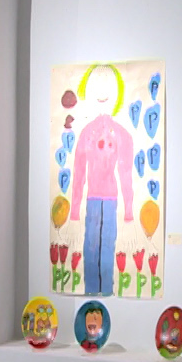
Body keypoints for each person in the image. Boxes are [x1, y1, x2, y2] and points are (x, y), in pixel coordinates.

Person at [69, 64, 136, 296]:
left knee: (107, 242)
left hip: (111, 198)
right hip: (92, 198)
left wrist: (129, 208)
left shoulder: (122, 135)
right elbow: (78, 171)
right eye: (97, 85)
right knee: (91, 243)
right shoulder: (86, 133)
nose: (102, 91)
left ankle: (106, 290)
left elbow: (126, 171)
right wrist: (74, 208)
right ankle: (91, 290)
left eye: (107, 85)